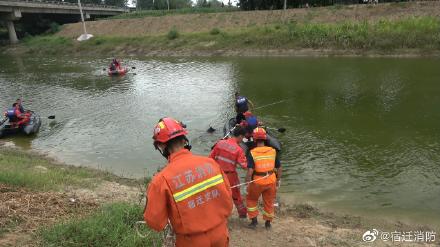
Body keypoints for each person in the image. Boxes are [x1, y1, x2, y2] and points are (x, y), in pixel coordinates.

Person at [144, 117, 233, 247]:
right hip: (220, 234)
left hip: (191, 241)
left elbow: (155, 223)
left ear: (161, 145)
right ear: (184, 139)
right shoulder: (211, 163)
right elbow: (228, 197)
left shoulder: (161, 180)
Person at [246, 127, 282, 230]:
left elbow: (250, 171)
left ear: (254, 139)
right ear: (265, 139)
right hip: (271, 180)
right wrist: (278, 180)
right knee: (269, 202)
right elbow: (279, 168)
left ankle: (254, 222)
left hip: (257, 181)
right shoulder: (273, 151)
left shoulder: (252, 152)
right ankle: (267, 224)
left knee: (251, 199)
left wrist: (247, 183)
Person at [209, 125, 247, 218]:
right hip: (230, 176)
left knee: (218, 195)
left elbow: (210, 159)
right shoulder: (238, 149)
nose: (243, 140)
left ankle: (219, 215)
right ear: (240, 136)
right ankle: (242, 214)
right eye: (243, 137)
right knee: (236, 196)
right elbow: (245, 166)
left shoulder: (220, 143)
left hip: (217, 175)